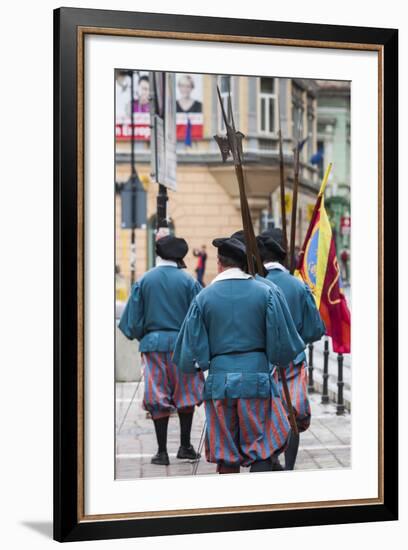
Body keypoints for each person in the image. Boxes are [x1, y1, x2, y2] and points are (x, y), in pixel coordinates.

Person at [173, 237, 305, 474]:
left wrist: (200, 365)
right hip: (257, 378)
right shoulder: (266, 293)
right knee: (262, 447)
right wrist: (276, 359)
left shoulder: (203, 297)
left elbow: (189, 350)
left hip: (219, 380)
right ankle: (258, 504)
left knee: (225, 451)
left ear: (219, 263)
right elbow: (283, 344)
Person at [119, 235, 204, 466]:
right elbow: (199, 318)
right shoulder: (189, 282)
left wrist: (145, 336)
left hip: (153, 345)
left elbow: (131, 322)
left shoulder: (145, 281)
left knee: (157, 394)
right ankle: (185, 446)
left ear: (158, 253)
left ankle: (161, 452)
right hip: (183, 345)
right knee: (186, 393)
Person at [256, 228, 325, 445]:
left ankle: (271, 459)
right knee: (292, 414)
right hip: (293, 361)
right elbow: (315, 329)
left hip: (260, 361)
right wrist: (296, 337)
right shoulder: (297, 284)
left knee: (265, 414)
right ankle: (289, 465)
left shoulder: (254, 283)